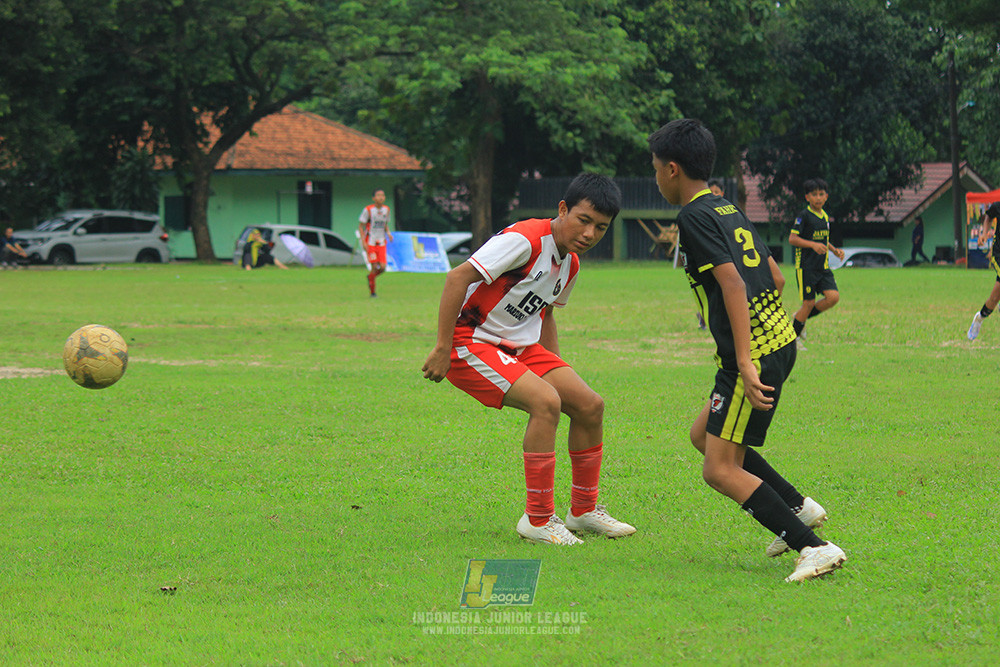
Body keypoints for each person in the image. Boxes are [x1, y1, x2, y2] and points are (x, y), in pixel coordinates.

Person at [648, 118, 845, 582]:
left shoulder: (692, 217)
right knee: (704, 436)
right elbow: (775, 278)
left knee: (717, 469)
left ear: (672, 169)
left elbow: (733, 282)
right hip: (780, 338)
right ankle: (799, 506)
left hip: (751, 353)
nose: (656, 176)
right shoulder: (725, 206)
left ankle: (813, 548)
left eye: (656, 168)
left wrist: (742, 358)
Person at [421, 173, 636, 545]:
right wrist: (442, 347)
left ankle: (583, 511)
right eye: (583, 220)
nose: (589, 233)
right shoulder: (525, 240)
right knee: (545, 401)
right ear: (563, 209)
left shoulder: (571, 264)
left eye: (600, 228)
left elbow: (546, 313)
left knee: (589, 405)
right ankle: (537, 520)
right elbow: (457, 277)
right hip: (468, 341)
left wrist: (555, 368)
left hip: (518, 347)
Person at [788, 178, 844, 349]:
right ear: (807, 197)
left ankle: (799, 317)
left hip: (822, 267)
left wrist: (834, 250)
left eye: (821, 194)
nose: (818, 198)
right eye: (814, 195)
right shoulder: (803, 216)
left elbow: (822, 239)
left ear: (826, 196)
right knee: (809, 303)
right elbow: (793, 239)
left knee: (833, 297)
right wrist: (812, 245)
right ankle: (792, 338)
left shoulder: (825, 216)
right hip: (806, 267)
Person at [967, 202, 1000, 341]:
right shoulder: (998, 206)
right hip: (999, 254)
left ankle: (979, 318)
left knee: (994, 299)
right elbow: (988, 217)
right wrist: (984, 234)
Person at [358, 188, 393, 297]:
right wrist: (363, 241)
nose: (381, 197)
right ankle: (373, 292)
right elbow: (361, 225)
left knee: (382, 267)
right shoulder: (368, 210)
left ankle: (371, 277)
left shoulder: (387, 210)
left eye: (382, 195)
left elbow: (385, 224)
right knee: (374, 266)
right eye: (378, 195)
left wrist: (388, 232)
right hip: (371, 242)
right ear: (374, 198)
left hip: (381, 242)